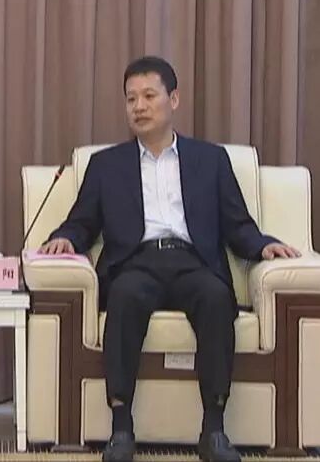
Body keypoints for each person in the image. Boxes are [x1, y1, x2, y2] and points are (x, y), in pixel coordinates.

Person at [39, 56, 300, 462]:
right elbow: (82, 222)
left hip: (193, 262)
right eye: (131, 99)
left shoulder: (210, 160)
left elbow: (237, 223)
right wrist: (63, 239)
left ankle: (214, 430)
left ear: (173, 99)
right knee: (124, 297)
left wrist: (263, 246)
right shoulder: (106, 165)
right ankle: (121, 429)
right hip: (136, 263)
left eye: (149, 96)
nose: (139, 107)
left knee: (216, 299)